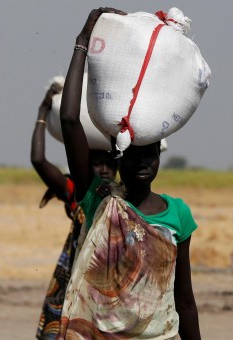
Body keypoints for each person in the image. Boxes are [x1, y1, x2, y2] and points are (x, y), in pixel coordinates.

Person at [56, 8, 201, 339]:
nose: (144, 162)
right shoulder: (100, 200)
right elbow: (68, 120)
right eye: (135, 155)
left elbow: (185, 300)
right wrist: (82, 43)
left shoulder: (178, 214)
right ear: (118, 158)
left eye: (151, 153)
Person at [31, 83, 117, 339]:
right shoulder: (78, 194)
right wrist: (43, 112)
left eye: (108, 164)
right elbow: (38, 160)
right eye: (96, 164)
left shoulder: (127, 198)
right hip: (76, 278)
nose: (102, 170)